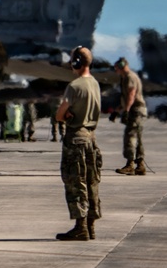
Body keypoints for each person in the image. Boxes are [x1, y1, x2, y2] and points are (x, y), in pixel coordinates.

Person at [54, 46, 102, 241]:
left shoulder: (74, 86)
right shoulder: (95, 84)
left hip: (76, 139)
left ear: (76, 62)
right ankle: (90, 227)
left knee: (76, 182)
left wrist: (65, 115)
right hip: (91, 138)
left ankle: (80, 227)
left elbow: (59, 115)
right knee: (91, 181)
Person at [112, 57, 147, 176]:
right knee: (137, 137)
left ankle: (130, 164)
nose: (116, 70)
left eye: (116, 68)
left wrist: (126, 111)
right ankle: (140, 165)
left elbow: (131, 95)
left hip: (135, 110)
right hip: (137, 110)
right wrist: (117, 111)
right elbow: (126, 98)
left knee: (130, 136)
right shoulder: (127, 77)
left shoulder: (129, 77)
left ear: (121, 66)